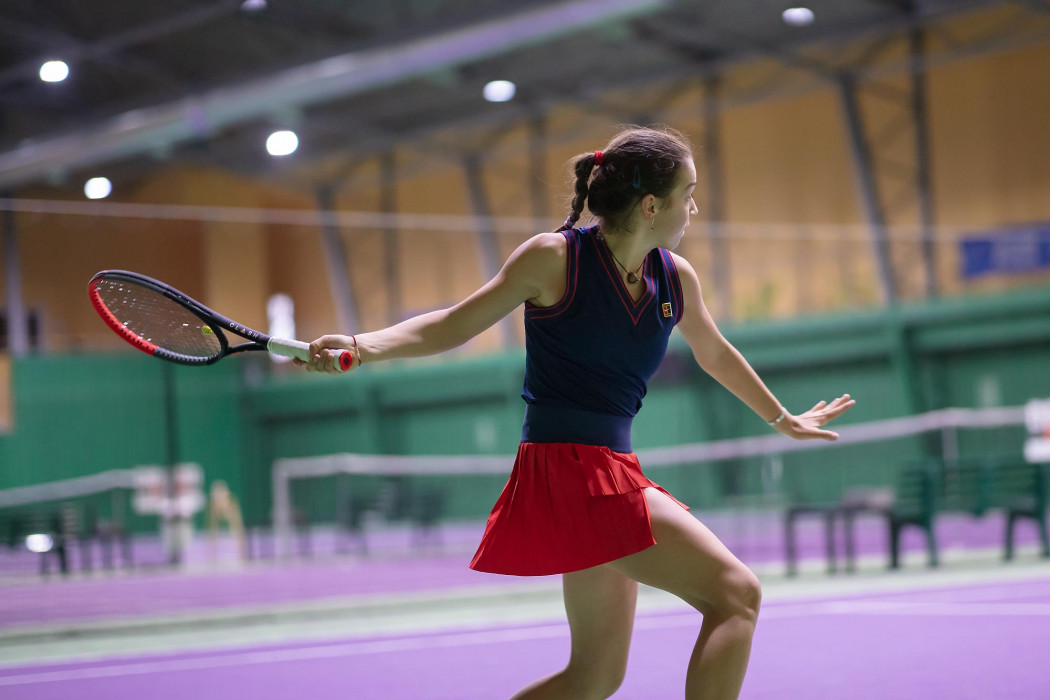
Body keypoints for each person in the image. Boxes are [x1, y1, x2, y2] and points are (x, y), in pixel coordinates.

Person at [294, 126, 855, 700]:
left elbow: (715, 353)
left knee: (594, 676)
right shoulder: (555, 258)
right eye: (688, 194)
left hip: (609, 470)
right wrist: (361, 346)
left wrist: (782, 418)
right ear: (651, 205)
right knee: (737, 595)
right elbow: (452, 324)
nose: (694, 208)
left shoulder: (675, 278)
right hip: (571, 475)